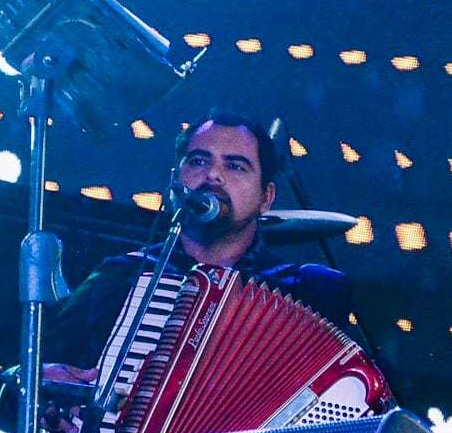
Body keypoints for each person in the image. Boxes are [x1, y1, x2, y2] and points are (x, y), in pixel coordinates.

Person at [40, 111, 351, 374]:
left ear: (265, 198)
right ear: (175, 181)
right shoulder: (122, 276)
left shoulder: (307, 291)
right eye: (199, 161)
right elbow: (21, 383)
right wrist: (47, 385)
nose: (213, 175)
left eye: (235, 166)